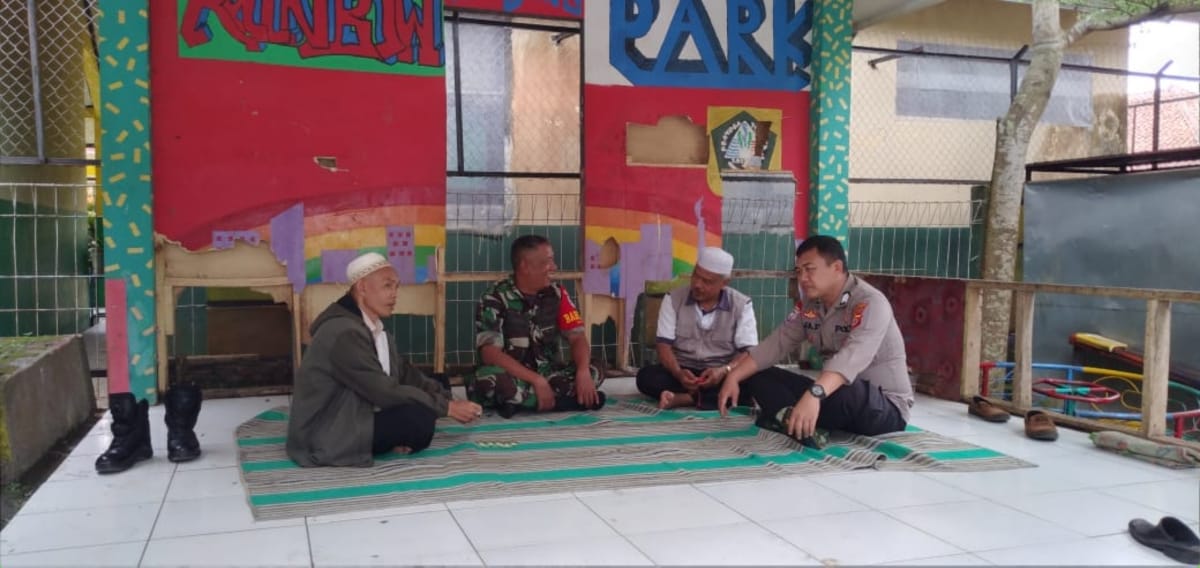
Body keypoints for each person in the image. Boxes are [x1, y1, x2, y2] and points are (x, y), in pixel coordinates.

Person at [287, 252, 482, 467]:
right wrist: (447, 408)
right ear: (362, 288)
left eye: (396, 287)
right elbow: (383, 391)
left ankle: (398, 434)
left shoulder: (373, 328)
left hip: (357, 406)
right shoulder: (344, 333)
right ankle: (391, 439)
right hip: (327, 431)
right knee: (419, 420)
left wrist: (446, 398)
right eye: (387, 286)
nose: (394, 294)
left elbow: (405, 372)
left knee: (439, 383)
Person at [717, 235, 913, 440]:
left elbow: (852, 357)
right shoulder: (811, 306)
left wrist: (814, 394)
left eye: (809, 269)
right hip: (831, 395)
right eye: (798, 271)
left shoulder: (869, 302)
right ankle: (797, 424)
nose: (802, 278)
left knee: (847, 389)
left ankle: (791, 420)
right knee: (757, 374)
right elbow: (777, 343)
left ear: (836, 268)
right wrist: (734, 376)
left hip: (882, 408)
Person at [464, 235, 604, 418]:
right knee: (487, 379)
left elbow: (577, 337)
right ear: (525, 266)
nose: (554, 267)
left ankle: (523, 402)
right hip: (516, 377)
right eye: (548, 261)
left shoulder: (557, 294)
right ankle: (564, 400)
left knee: (595, 366)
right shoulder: (494, 298)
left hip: (550, 375)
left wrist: (583, 372)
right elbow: (490, 353)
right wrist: (536, 380)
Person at [636, 247, 758, 410]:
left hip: (721, 372)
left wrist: (724, 370)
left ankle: (686, 398)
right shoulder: (673, 298)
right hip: (683, 372)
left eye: (707, 281)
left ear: (724, 283)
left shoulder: (742, 305)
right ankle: (708, 398)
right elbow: (663, 346)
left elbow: (749, 352)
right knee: (645, 377)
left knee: (754, 380)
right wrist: (678, 373)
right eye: (696, 276)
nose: (697, 284)